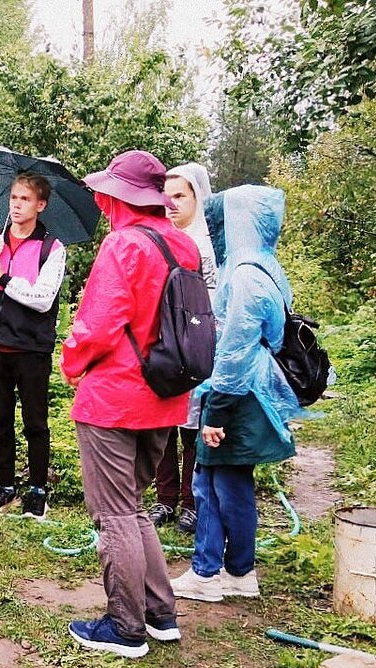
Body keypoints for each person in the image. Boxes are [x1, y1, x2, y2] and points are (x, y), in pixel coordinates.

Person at [59, 150, 201, 658]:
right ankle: (161, 614)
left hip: (114, 399)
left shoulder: (123, 245)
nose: (100, 199)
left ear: (120, 196)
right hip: (164, 395)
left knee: (114, 514)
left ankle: (125, 627)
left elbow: (97, 325)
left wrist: (70, 362)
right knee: (134, 507)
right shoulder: (182, 244)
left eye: (106, 191)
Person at [170, 185, 302, 603]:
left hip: (239, 397)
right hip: (247, 394)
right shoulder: (261, 265)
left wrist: (216, 413)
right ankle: (238, 570)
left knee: (214, 484)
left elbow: (235, 350)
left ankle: (209, 573)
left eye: (223, 219)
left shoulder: (245, 275)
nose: (217, 227)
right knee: (228, 482)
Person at [0, 173, 67, 520]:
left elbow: (42, 299)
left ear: (41, 205)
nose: (17, 205)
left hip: (31, 347)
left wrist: (5, 278)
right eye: (13, 198)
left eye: (25, 199)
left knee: (35, 421)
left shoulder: (52, 247)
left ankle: (38, 491)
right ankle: (5, 486)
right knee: (0, 420)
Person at [148, 163, 216, 534]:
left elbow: (213, 303)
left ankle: (190, 502)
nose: (171, 204)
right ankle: (164, 498)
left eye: (180, 196)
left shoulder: (205, 245)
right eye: (167, 196)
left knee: (192, 427)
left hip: (194, 344)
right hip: (163, 343)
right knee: (163, 425)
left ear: (196, 197)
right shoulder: (161, 237)